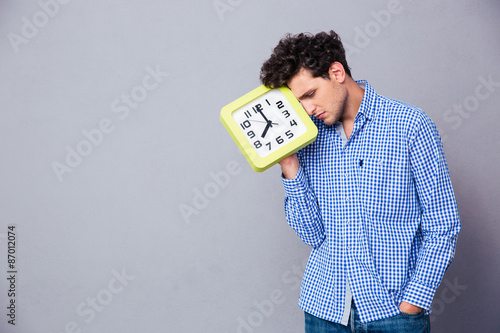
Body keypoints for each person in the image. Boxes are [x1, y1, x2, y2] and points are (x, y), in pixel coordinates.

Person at [259, 31, 461, 332]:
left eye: (310, 94)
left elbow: (443, 223)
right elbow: (312, 235)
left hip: (393, 310)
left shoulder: (409, 125)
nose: (307, 110)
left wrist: (413, 302)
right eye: (297, 102)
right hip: (325, 308)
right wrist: (290, 166)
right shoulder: (307, 137)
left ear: (336, 72)